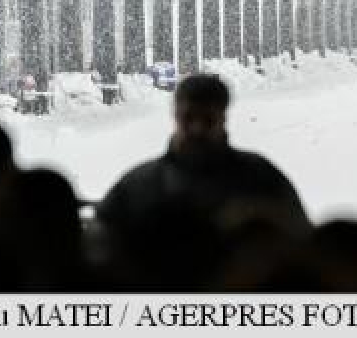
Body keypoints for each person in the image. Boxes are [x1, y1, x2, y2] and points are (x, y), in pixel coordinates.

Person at [94, 73, 311, 282]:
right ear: (176, 115)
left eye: (207, 120)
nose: (197, 129)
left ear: (223, 117)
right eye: (189, 118)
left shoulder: (140, 184)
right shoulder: (259, 177)